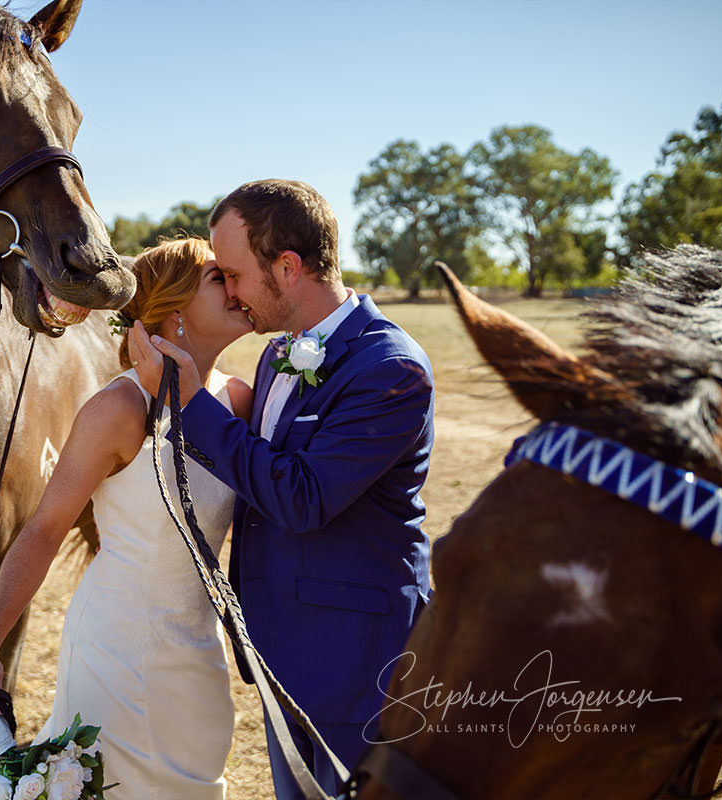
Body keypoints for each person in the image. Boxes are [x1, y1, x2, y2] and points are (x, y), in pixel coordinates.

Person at [129, 179, 434, 799]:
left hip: (360, 663)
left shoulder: (389, 368)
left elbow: (303, 497)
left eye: (234, 274)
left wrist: (191, 402)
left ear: (288, 267)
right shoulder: (276, 356)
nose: (230, 291)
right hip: (281, 654)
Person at [0, 237, 254, 799]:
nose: (239, 288)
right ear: (175, 309)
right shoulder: (118, 410)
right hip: (116, 651)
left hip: (198, 649)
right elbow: (43, 529)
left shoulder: (237, 400)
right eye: (221, 279)